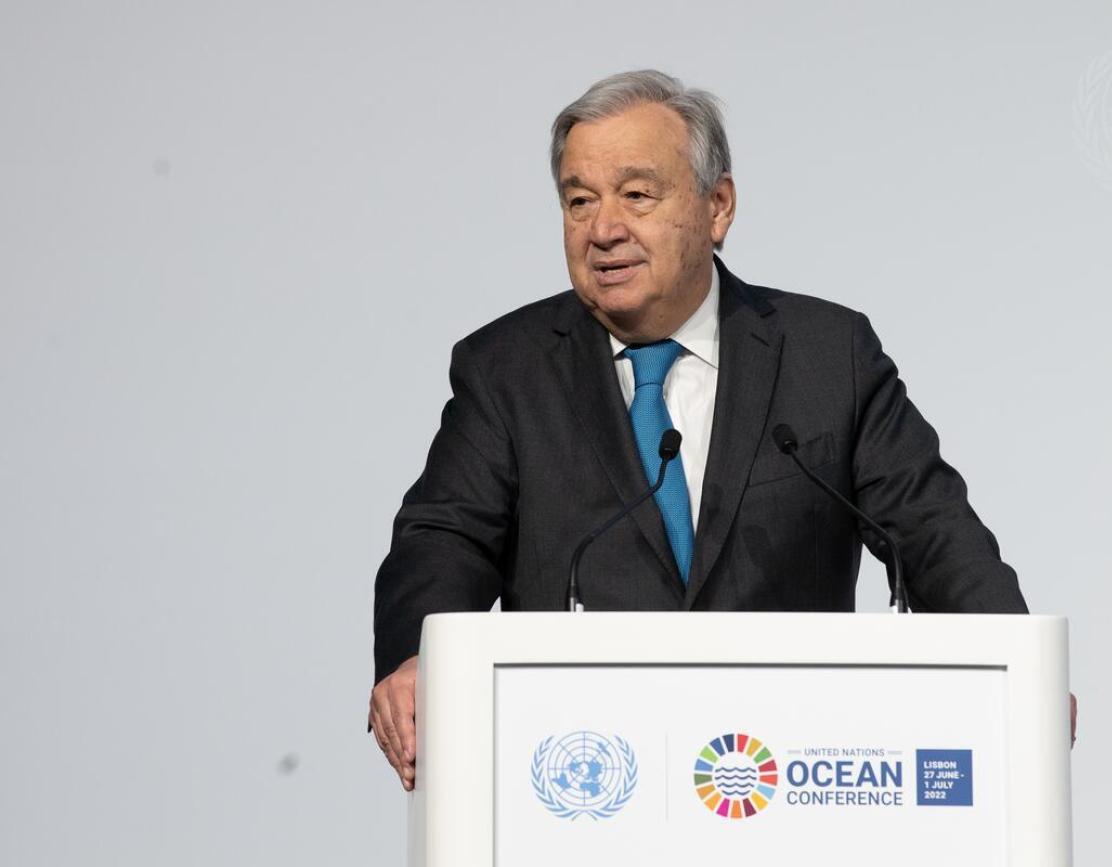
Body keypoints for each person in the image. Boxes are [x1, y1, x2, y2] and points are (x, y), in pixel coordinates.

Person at [368, 70, 1054, 792]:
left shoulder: (828, 355)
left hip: (796, 771)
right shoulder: (506, 369)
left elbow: (931, 527)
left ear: (717, 207)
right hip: (585, 780)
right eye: (579, 201)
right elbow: (446, 536)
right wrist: (416, 655)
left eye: (636, 195)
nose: (603, 229)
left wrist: (1020, 669)